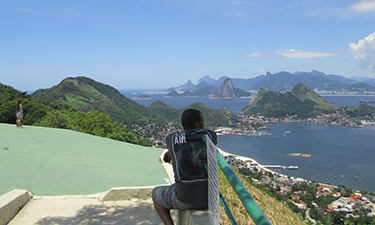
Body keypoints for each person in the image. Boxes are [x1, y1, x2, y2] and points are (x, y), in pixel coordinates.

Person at [152, 109, 217, 225]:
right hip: (209, 198)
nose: (204, 124)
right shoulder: (209, 135)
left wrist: (170, 152)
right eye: (203, 122)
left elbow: (181, 144)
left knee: (156, 193)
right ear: (197, 124)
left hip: (185, 199)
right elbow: (209, 137)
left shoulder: (171, 139)